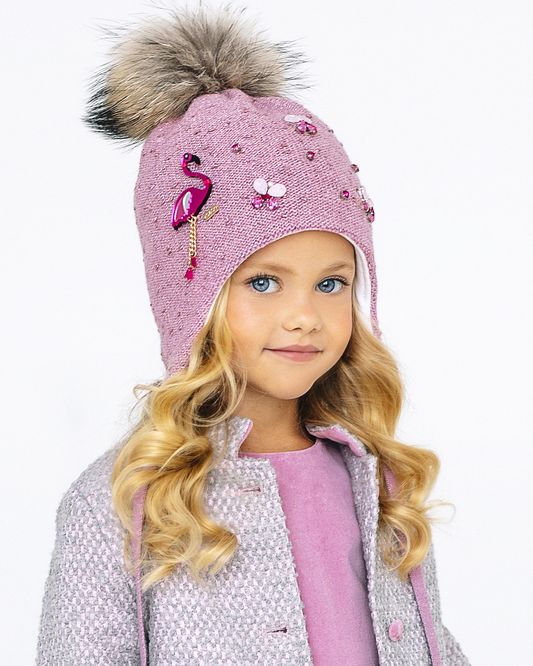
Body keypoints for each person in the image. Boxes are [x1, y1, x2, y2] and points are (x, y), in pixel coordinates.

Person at [35, 3, 471, 665]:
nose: (304, 315)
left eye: (331, 284)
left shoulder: (378, 481)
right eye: (263, 282)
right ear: (192, 302)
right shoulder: (122, 503)